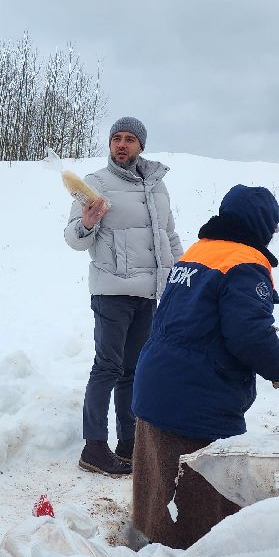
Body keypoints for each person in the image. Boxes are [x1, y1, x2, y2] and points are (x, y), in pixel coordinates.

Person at [130, 184, 279, 548]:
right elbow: (248, 334)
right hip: (197, 396)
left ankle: (145, 542)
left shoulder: (197, 252)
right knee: (203, 487)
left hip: (157, 382)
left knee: (157, 476)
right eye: (274, 225)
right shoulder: (246, 263)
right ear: (262, 224)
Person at [63, 117, 182, 476]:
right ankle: (94, 447)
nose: (122, 144)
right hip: (112, 290)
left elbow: (168, 237)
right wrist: (87, 222)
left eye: (130, 139)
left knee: (133, 371)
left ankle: (129, 444)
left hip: (147, 294)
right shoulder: (95, 184)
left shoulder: (157, 186)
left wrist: (181, 277)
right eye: (117, 138)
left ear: (141, 146)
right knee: (107, 368)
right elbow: (73, 238)